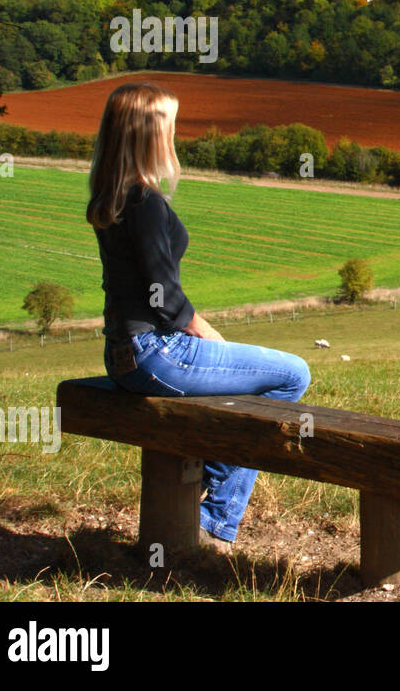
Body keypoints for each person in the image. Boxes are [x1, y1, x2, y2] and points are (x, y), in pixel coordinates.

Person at [86, 81, 310, 551]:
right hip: (157, 353)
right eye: (169, 123)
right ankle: (214, 522)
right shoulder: (144, 202)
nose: (174, 133)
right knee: (291, 375)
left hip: (122, 355)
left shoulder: (112, 196)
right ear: (147, 133)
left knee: (252, 384)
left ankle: (211, 490)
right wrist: (207, 333)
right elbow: (161, 296)